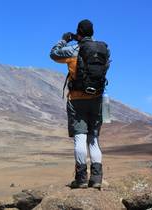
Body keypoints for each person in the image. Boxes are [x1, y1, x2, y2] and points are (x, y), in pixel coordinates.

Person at [50, 19, 110, 189]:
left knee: (80, 137)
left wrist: (65, 39)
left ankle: (81, 178)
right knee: (94, 139)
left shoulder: (73, 50)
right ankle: (97, 178)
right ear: (92, 32)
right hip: (97, 99)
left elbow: (53, 54)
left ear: (79, 33)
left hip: (77, 100)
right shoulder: (103, 49)